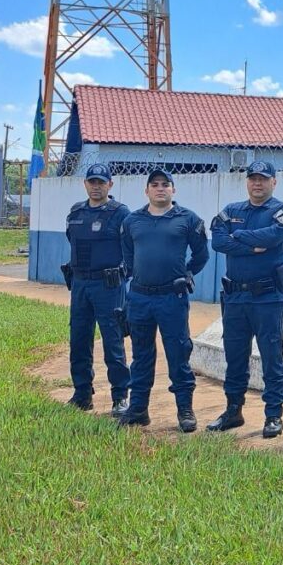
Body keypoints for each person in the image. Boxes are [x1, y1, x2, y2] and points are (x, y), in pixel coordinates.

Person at [208, 161, 283, 439]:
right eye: (253, 179)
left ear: (274, 182)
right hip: (235, 296)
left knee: (271, 354)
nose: (257, 183)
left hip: (267, 296)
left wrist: (240, 236)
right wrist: (252, 247)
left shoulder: (282, 210)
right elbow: (218, 242)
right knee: (234, 355)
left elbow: (275, 236)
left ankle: (274, 415)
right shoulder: (233, 210)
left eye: (263, 179)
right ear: (247, 182)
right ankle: (233, 410)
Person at [118, 169, 209, 431]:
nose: (160, 189)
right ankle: (138, 409)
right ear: (146, 191)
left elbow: (201, 255)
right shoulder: (132, 221)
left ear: (173, 190)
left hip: (172, 297)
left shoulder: (188, 219)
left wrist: (187, 273)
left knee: (178, 352)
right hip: (140, 298)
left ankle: (185, 410)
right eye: (154, 185)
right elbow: (128, 256)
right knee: (141, 354)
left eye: (165, 185)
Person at [62, 162, 131, 416]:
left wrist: (124, 277)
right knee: (78, 339)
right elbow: (72, 240)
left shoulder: (121, 213)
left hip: (109, 286)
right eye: (92, 182)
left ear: (110, 185)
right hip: (80, 284)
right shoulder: (76, 212)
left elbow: (131, 250)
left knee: (113, 341)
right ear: (85, 184)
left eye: (102, 182)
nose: (96, 186)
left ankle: (120, 397)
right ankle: (82, 393)